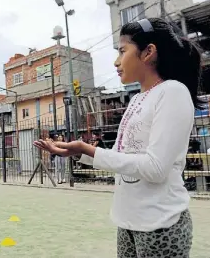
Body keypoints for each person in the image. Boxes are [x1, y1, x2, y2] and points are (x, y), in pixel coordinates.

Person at [34, 18, 202, 257]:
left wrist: (90, 150)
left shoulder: (173, 92)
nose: (116, 61)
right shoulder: (136, 99)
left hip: (160, 223)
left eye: (122, 51)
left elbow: (156, 168)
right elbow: (125, 158)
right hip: (128, 221)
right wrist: (81, 153)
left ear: (148, 52)